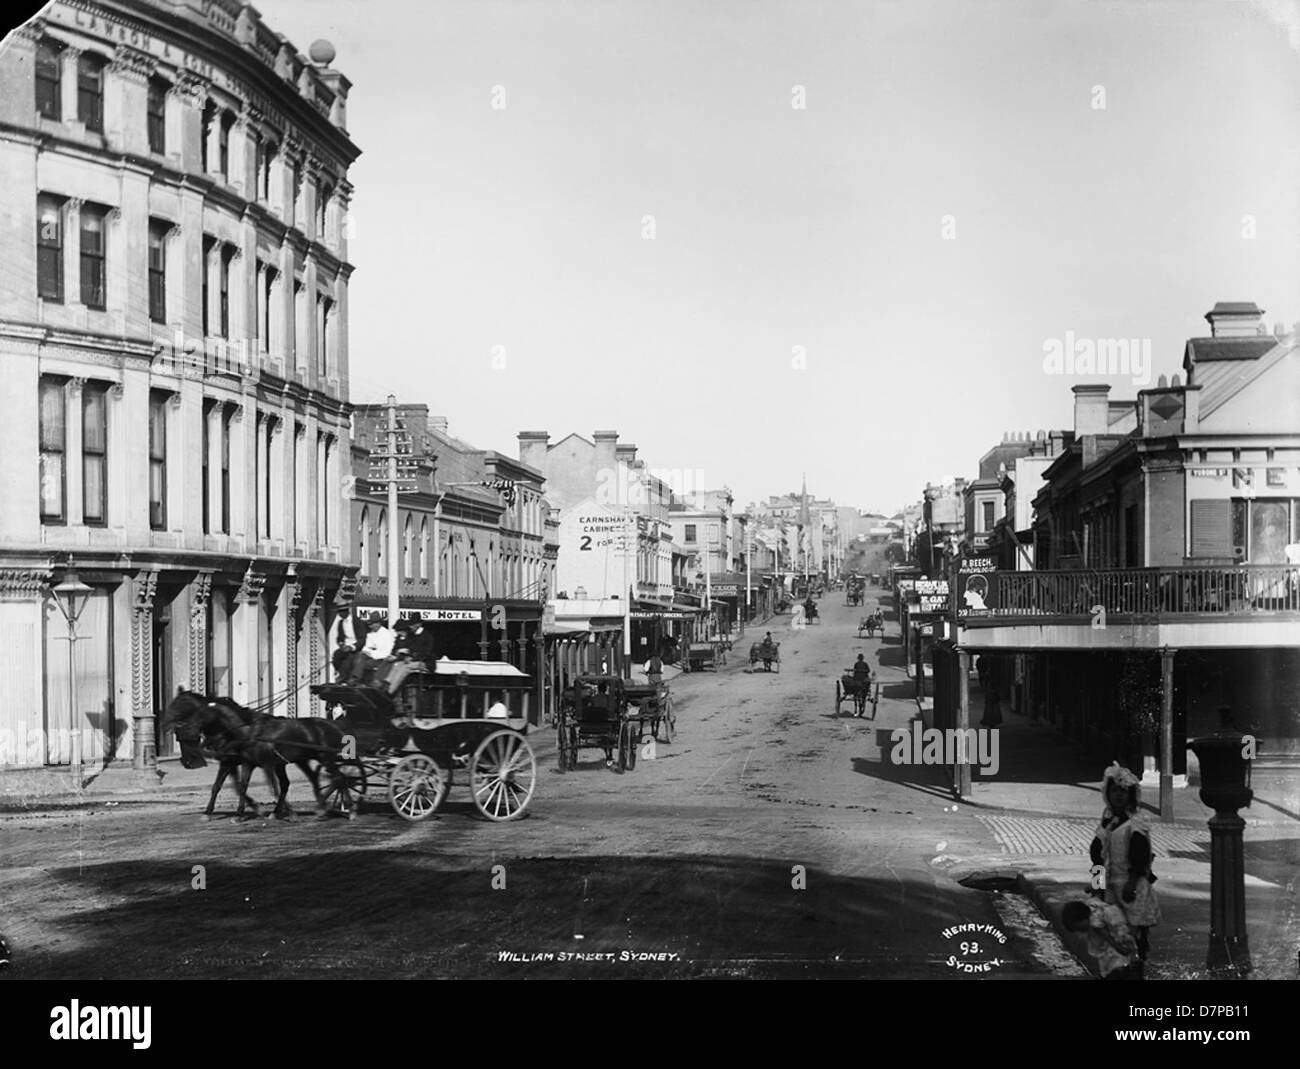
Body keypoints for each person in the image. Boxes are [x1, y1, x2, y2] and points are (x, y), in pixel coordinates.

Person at [1090, 763, 1161, 974]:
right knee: (1112, 932)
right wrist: (1097, 887)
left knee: (1133, 933)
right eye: (1114, 791)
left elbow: (1140, 856)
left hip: (1131, 887)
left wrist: (1132, 883)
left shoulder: (1135, 823)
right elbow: (1097, 857)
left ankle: (1136, 970)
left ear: (1131, 795)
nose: (1119, 796)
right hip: (1110, 888)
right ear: (1107, 793)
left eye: (1124, 792)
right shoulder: (1107, 823)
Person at [1062, 899, 1140, 979]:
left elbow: (1108, 937)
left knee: (1119, 968)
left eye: (1080, 928)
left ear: (1082, 918)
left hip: (1119, 943)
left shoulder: (1095, 922)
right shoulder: (1093, 910)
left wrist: (1121, 949)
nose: (1081, 932)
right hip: (1118, 940)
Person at [350, 619, 396, 684]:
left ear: (378, 623)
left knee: (361, 661)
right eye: (369, 625)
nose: (370, 626)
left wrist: (372, 653)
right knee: (360, 656)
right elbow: (366, 647)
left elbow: (387, 652)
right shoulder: (370, 634)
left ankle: (357, 679)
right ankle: (355, 678)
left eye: (372, 624)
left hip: (381, 659)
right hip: (373, 657)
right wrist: (369, 652)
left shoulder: (386, 634)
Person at [331, 607, 358, 681]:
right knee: (336, 655)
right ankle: (339, 673)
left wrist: (352, 647)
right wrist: (341, 644)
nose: (339, 615)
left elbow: (362, 639)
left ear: (346, 612)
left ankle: (344, 677)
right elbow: (340, 637)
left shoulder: (357, 621)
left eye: (340, 612)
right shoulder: (340, 623)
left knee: (349, 658)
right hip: (345, 647)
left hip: (355, 647)